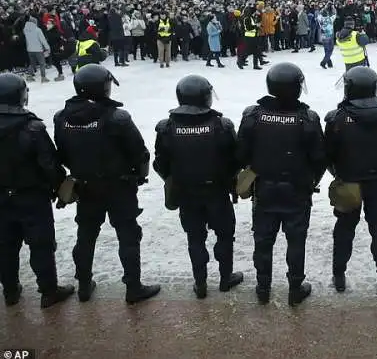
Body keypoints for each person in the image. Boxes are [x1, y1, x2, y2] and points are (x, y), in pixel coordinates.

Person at [53, 64, 159, 304]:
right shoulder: (116, 117)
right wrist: (139, 175)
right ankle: (133, 287)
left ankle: (83, 285)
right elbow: (139, 153)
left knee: (86, 234)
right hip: (118, 186)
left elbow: (61, 153)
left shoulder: (62, 117)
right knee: (128, 235)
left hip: (85, 185)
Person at [237, 63, 325, 306]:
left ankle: (263, 287)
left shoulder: (253, 116)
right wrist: (310, 181)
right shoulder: (307, 118)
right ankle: (295, 287)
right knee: (296, 241)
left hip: (264, 190)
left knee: (263, 240)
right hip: (296, 190)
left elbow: (240, 154)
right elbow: (319, 159)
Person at [153, 75, 242, 299]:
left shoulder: (167, 127)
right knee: (224, 236)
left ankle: (200, 283)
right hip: (217, 192)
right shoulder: (222, 125)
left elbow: (160, 163)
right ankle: (225, 278)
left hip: (186, 193)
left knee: (195, 237)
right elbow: (236, 159)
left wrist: (175, 179)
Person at [324, 66, 377, 294]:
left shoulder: (337, 118)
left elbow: (328, 153)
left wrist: (338, 174)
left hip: (348, 181)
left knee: (344, 228)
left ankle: (339, 275)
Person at [0, 73, 75, 308]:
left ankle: (10, 291)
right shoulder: (32, 127)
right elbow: (49, 164)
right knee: (41, 244)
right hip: (32, 195)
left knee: (5, 245)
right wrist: (59, 187)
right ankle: (48, 290)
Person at [23, 14, 50, 83]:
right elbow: (43, 40)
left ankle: (29, 76)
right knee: (42, 64)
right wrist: (47, 48)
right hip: (38, 49)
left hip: (29, 49)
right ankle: (43, 78)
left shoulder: (25, 30)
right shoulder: (38, 30)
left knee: (32, 63)